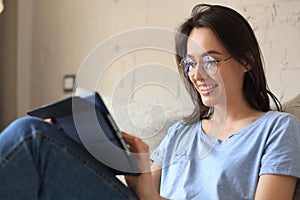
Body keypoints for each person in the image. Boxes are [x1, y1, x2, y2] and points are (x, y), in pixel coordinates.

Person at [0, 4, 299, 200]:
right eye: (190, 64)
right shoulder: (181, 134)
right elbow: (140, 190)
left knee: (31, 138)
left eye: (210, 61)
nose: (197, 74)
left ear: (246, 61)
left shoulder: (277, 129)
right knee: (43, 142)